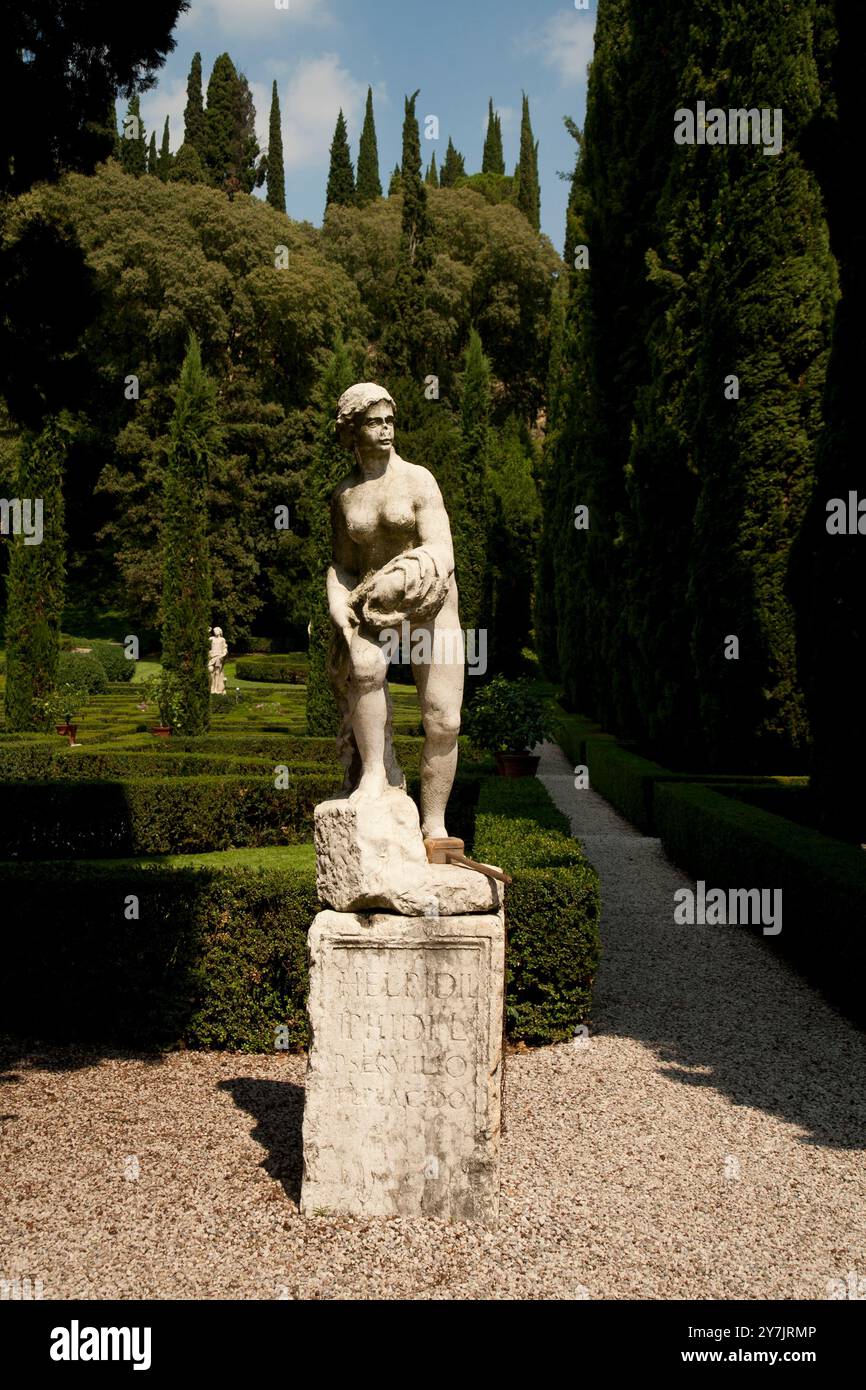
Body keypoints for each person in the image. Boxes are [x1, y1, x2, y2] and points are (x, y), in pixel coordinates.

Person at [327, 383, 464, 841]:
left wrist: (404, 577)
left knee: (444, 719)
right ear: (352, 430)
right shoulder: (346, 496)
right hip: (375, 603)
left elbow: (442, 549)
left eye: (389, 420)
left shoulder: (418, 480)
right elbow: (343, 566)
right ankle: (374, 777)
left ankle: (434, 824)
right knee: (364, 670)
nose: (386, 429)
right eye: (374, 422)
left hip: (429, 600)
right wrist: (336, 601)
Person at [208, 626, 228, 694]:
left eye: (216, 631)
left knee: (217, 673)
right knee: (210, 670)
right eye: (214, 631)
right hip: (212, 657)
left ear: (220, 632)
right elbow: (205, 639)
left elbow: (225, 648)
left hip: (219, 657)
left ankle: (216, 688)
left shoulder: (222, 639)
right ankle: (212, 686)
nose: (215, 632)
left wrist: (224, 654)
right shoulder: (212, 638)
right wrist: (208, 631)